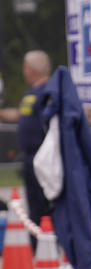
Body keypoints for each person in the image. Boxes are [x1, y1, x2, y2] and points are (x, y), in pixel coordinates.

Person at [0, 50, 52, 248]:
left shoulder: (48, 92)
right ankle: (34, 244)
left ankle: (46, 243)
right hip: (29, 158)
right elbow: (20, 115)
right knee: (33, 205)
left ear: (32, 68)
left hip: (43, 158)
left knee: (44, 203)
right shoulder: (29, 93)